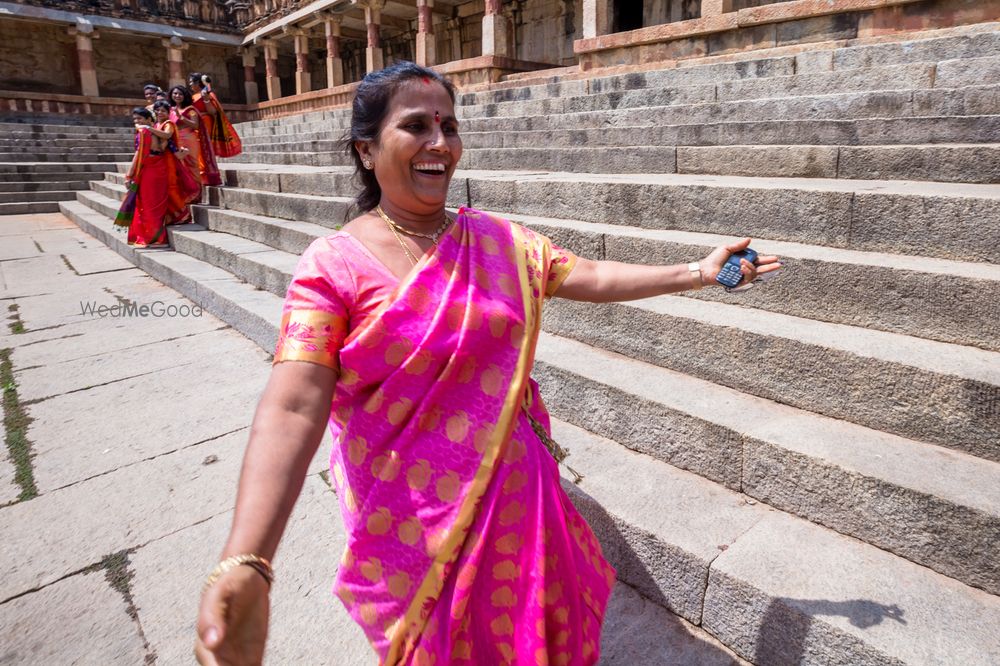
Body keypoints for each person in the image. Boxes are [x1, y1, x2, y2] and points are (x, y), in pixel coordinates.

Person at [195, 62, 782, 666]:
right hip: (416, 524)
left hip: (520, 502)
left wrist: (698, 273)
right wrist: (248, 559)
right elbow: (294, 403)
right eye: (416, 125)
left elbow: (592, 274)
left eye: (448, 126)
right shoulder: (332, 267)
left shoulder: (499, 241)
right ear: (366, 151)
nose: (439, 144)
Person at [119, 107, 170, 247]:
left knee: (148, 204)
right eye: (135, 119)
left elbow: (138, 154)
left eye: (140, 118)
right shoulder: (158, 131)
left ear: (149, 119)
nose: (137, 121)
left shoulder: (144, 132)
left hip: (150, 170)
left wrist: (129, 175)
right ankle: (157, 237)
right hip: (159, 167)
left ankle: (154, 238)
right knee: (155, 203)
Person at [148, 100, 200, 224]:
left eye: (163, 111)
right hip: (160, 160)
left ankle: (183, 214)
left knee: (172, 186)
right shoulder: (156, 125)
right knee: (164, 187)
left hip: (170, 159)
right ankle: (171, 215)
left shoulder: (168, 124)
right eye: (158, 110)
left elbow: (166, 135)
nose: (160, 112)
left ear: (168, 113)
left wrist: (148, 128)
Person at [169, 84, 217, 191]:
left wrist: (180, 116)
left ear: (185, 96)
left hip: (189, 139)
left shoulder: (191, 109)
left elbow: (195, 125)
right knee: (180, 167)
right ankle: (186, 192)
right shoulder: (170, 110)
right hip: (176, 140)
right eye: (175, 93)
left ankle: (196, 193)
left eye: (180, 94)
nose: (177, 96)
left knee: (192, 165)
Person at [189, 72, 242, 159]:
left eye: (191, 82)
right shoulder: (193, 96)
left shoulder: (208, 94)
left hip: (206, 125)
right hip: (195, 125)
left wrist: (206, 100)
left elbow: (213, 112)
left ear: (198, 83)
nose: (190, 84)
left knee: (206, 149)